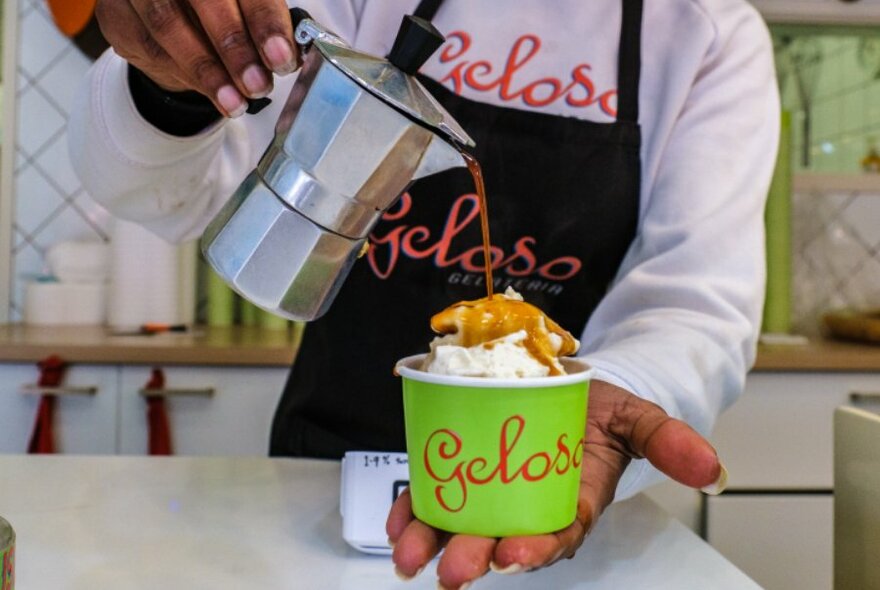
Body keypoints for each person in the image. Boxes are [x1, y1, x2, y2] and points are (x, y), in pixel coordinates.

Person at [70, 0, 779, 587]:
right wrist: (168, 82)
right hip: (322, 493)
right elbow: (167, 194)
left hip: (556, 503)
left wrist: (586, 414)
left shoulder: (710, 33)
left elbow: (692, 304)